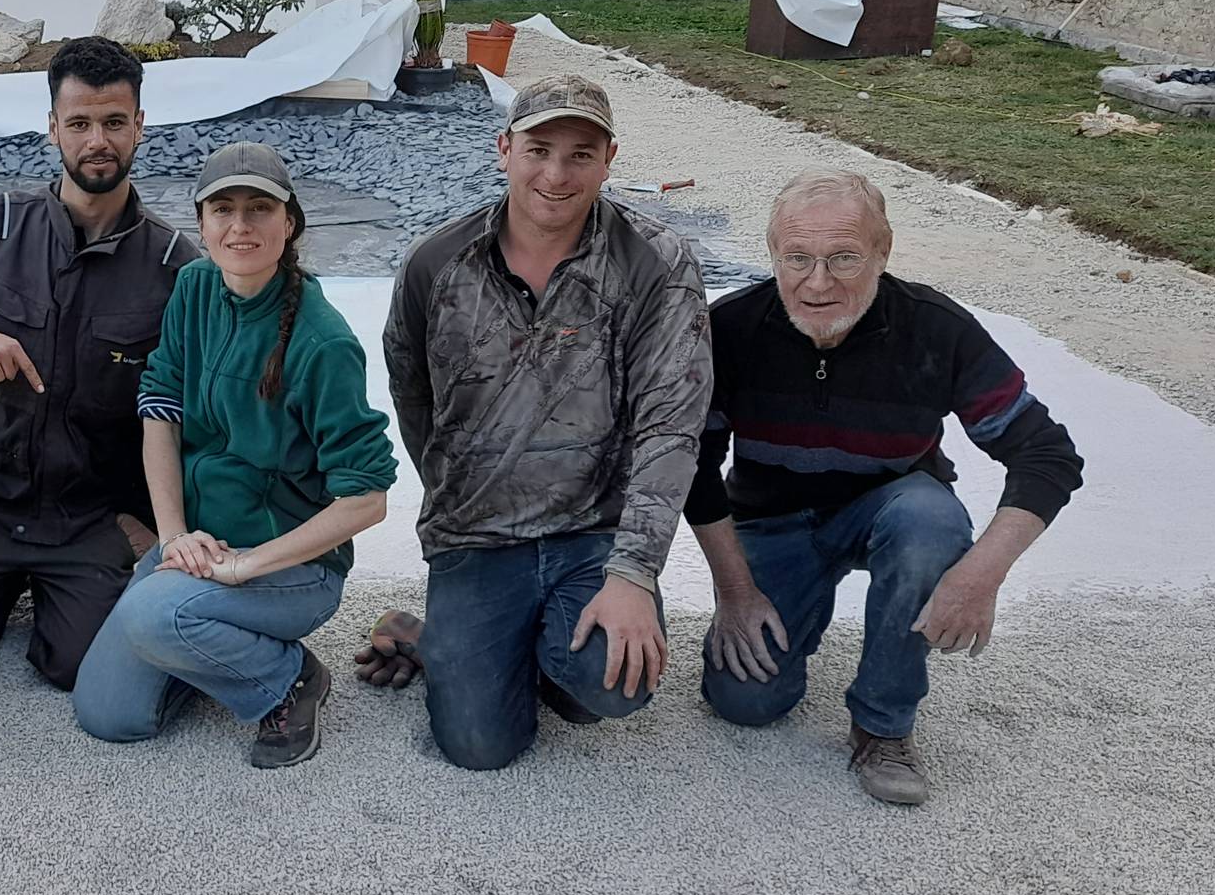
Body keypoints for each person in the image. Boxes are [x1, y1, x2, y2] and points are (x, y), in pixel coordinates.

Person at [687, 172, 1083, 804]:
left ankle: (883, 724)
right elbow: (692, 463)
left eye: (844, 257)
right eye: (798, 259)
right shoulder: (727, 330)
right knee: (744, 701)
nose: (818, 283)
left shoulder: (936, 329)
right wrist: (734, 593)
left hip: (893, 508)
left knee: (930, 527)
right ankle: (785, 621)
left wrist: (979, 574)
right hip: (771, 519)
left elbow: (1047, 455)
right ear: (772, 255)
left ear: (883, 251)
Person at [362, 74, 712, 771]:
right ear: (504, 149)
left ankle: (522, 645)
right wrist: (455, 496)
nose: (556, 173)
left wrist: (635, 574)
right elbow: (413, 395)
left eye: (581, 154)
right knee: (478, 747)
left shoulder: (657, 265)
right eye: (539, 148)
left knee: (611, 685)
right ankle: (452, 636)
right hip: (479, 535)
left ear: (610, 158)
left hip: (594, 533)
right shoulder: (437, 262)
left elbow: (671, 428)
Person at [71, 144, 397, 767]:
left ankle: (290, 676)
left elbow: (368, 497)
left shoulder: (323, 342)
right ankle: (208, 640)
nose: (240, 226)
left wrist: (243, 568)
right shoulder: (194, 287)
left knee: (151, 618)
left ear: (290, 222)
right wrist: (171, 538)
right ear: (202, 223)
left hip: (291, 567)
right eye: (223, 209)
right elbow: (160, 408)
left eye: (259, 209)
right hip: (199, 543)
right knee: (109, 715)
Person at [0, 36, 198, 693]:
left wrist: (157, 524)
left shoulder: (178, 268)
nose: (98, 140)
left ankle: (58, 592)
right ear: (53, 127)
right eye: (81, 123)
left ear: (140, 127)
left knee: (78, 669)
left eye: (115, 122)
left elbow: (193, 412)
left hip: (89, 513)